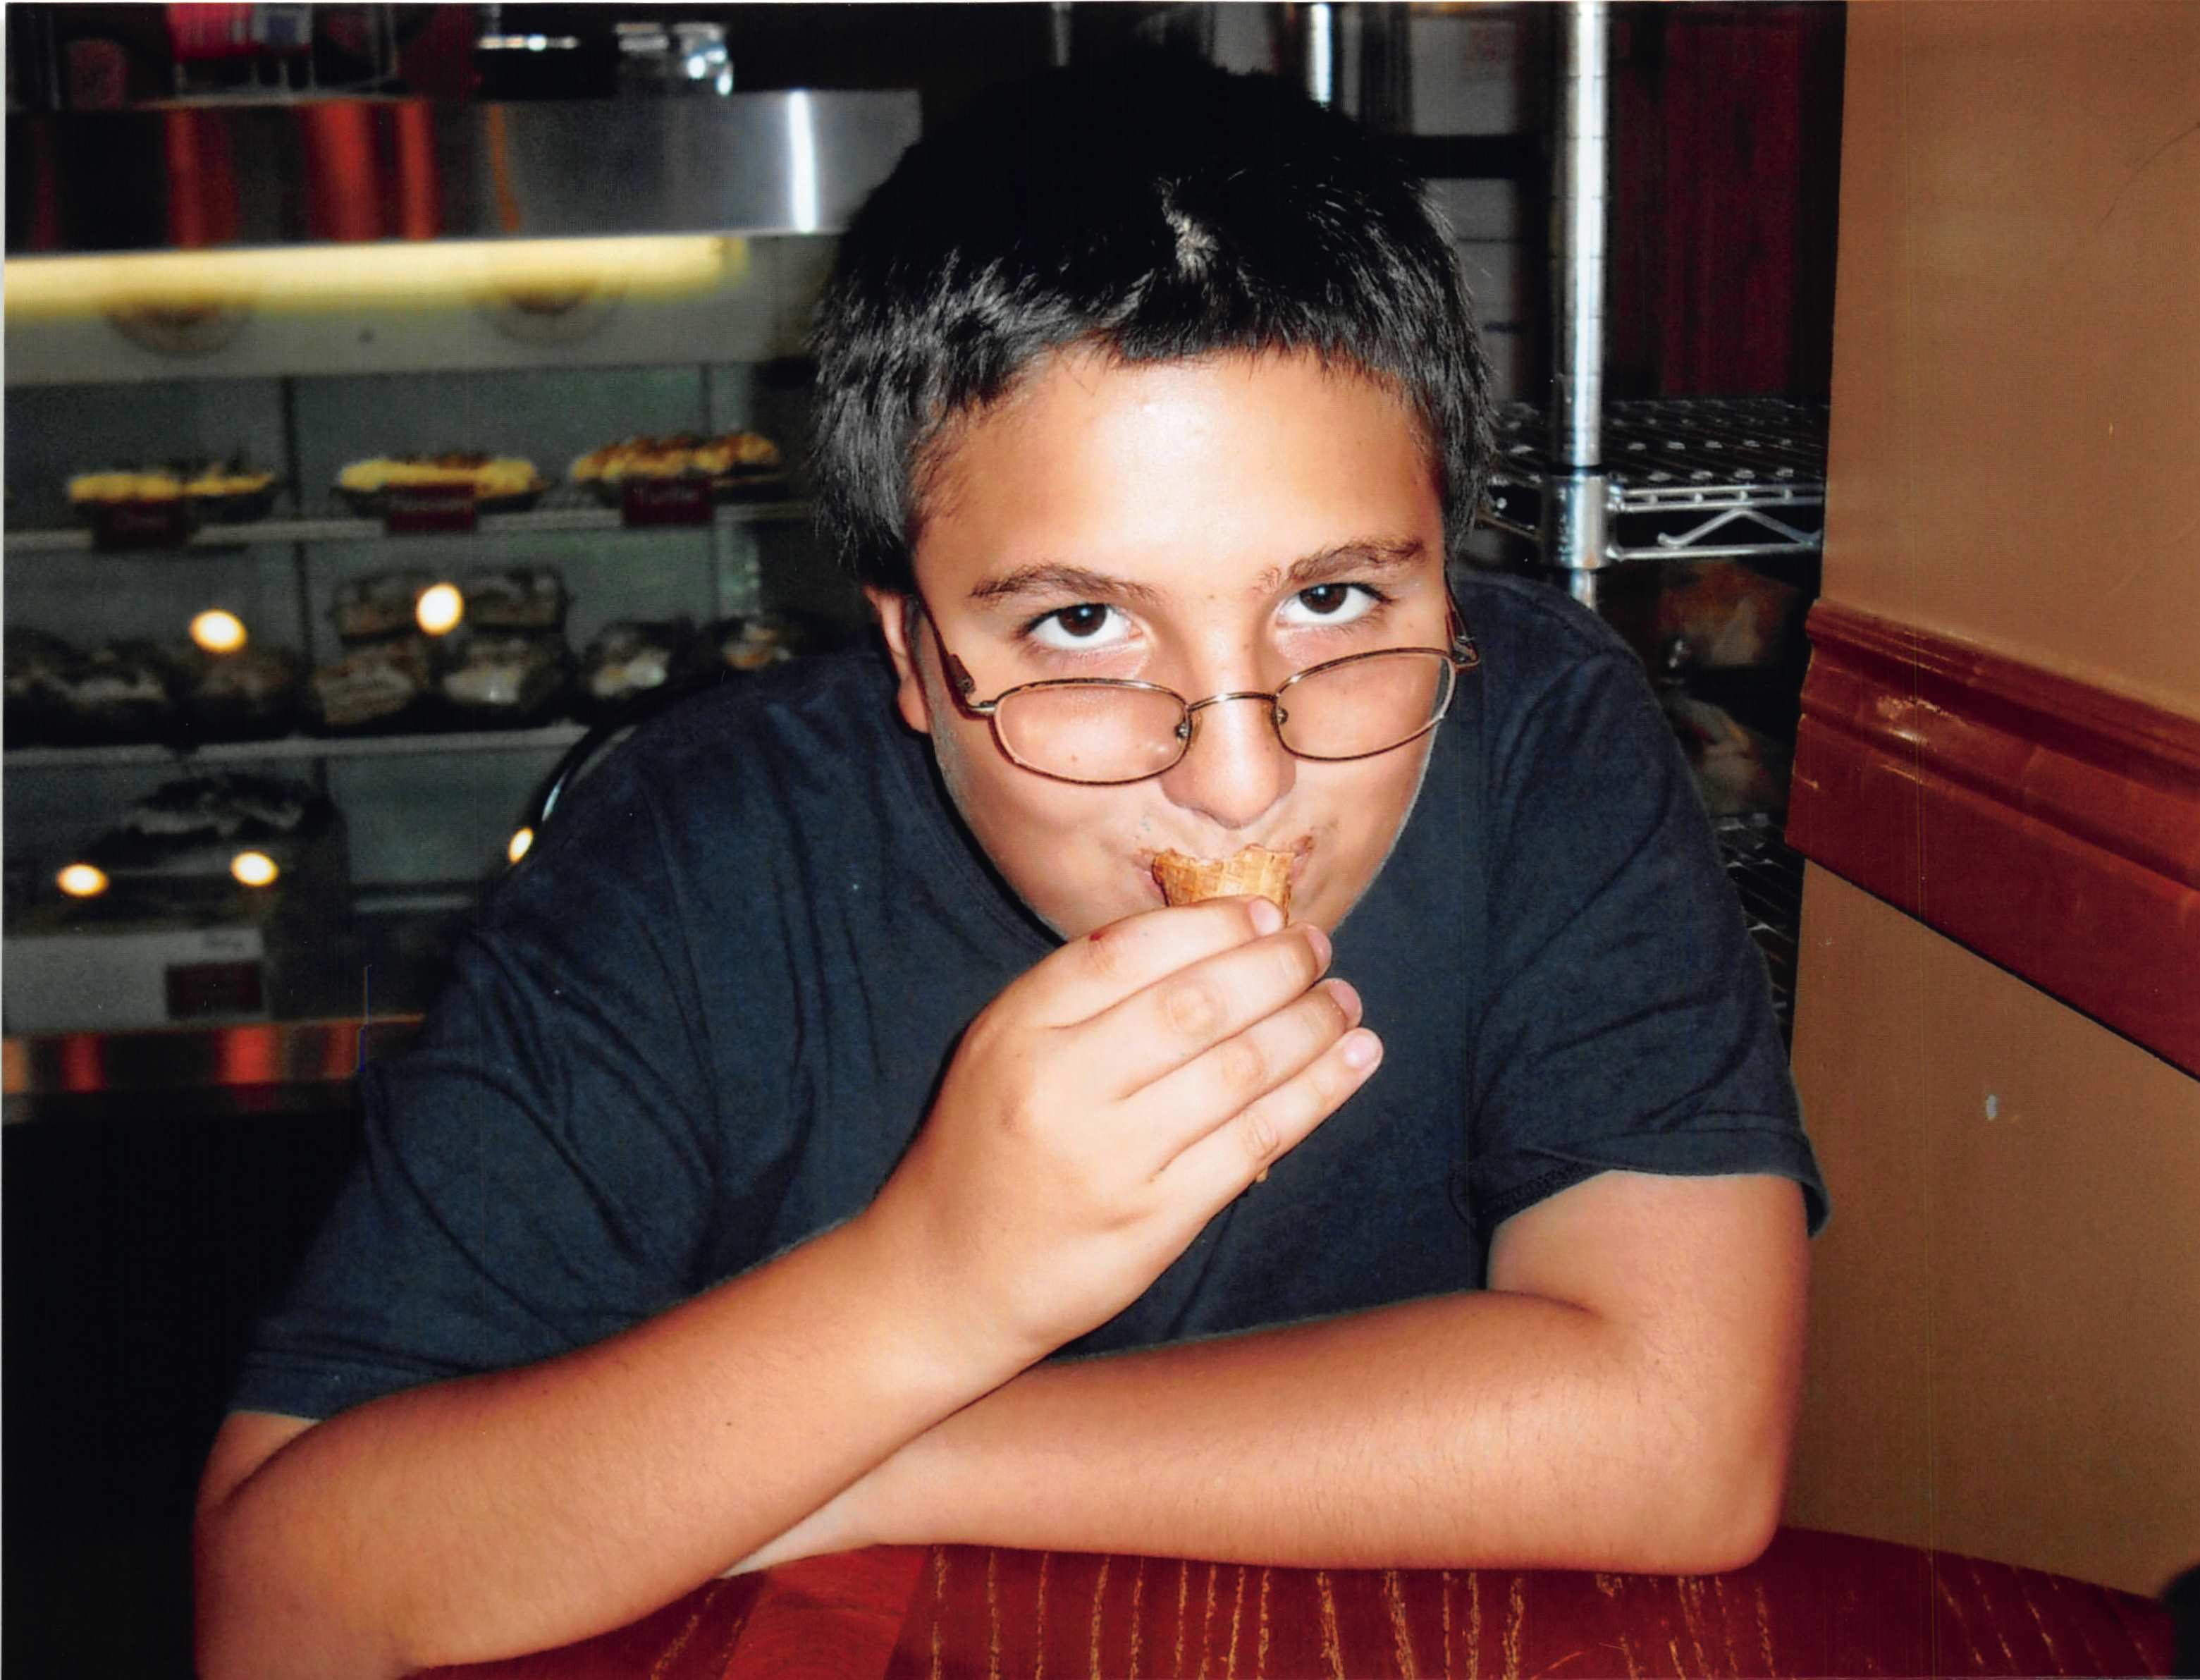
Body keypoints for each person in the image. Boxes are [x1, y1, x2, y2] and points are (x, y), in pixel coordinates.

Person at [193, 52, 1826, 1680]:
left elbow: (1679, 1436)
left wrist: (861, 1455)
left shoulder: (1534, 724)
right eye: (1082, 622)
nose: (1241, 778)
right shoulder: (689, 855)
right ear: (911, 652)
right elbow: (284, 1600)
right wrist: (932, 1283)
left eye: (1332, 602)